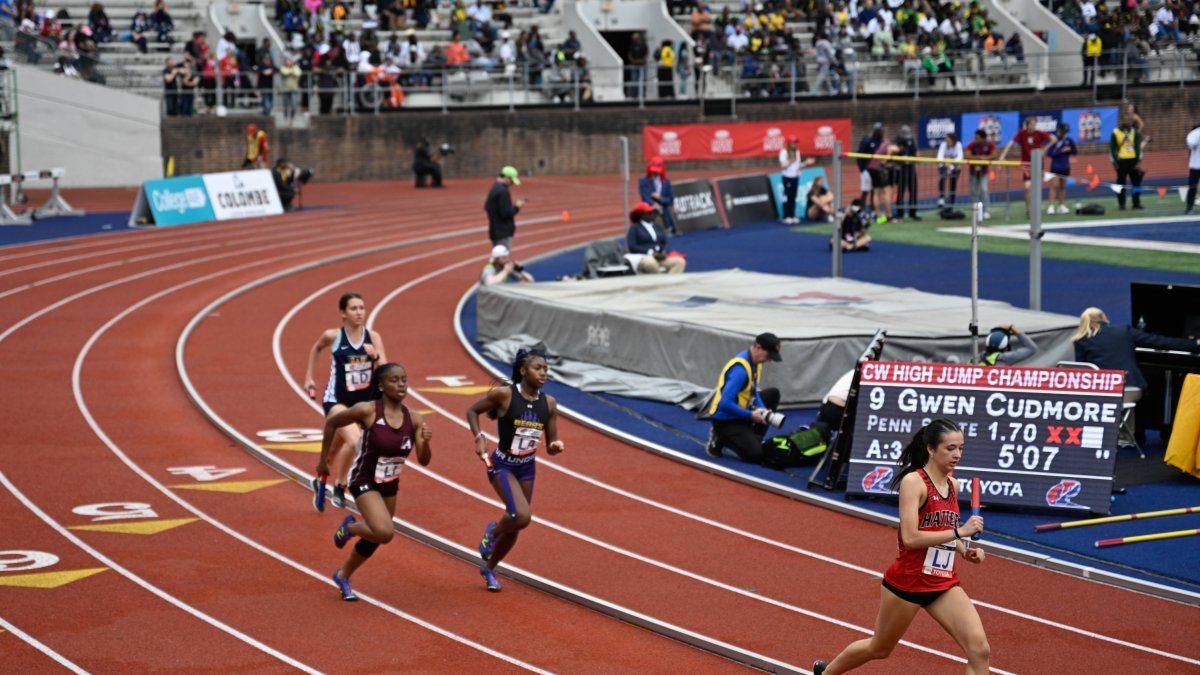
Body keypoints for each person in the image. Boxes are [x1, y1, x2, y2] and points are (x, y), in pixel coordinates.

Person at [813, 419, 988, 675]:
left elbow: (944, 530)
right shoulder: (914, 483)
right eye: (950, 448)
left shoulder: (954, 485)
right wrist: (960, 531)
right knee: (879, 648)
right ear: (930, 448)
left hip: (942, 582)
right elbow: (911, 538)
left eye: (961, 448)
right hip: (909, 582)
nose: (957, 455)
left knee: (979, 649)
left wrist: (964, 550)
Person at [321, 362, 432, 601]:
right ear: (381, 385)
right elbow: (332, 423)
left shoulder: (414, 419)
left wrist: (425, 441)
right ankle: (349, 527)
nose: (401, 384)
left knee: (375, 536)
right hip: (363, 478)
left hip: (390, 483)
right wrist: (324, 462)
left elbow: (424, 461)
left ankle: (343, 575)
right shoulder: (368, 410)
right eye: (394, 380)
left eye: (404, 379)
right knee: (384, 532)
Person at [467, 348, 565, 592]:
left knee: (517, 523)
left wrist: (554, 445)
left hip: (527, 468)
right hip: (502, 465)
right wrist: (479, 436)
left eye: (545, 369)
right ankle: (493, 530)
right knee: (521, 516)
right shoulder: (505, 395)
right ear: (523, 371)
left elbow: (551, 442)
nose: (543, 373)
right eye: (537, 368)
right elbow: (472, 411)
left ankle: (489, 568)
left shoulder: (549, 404)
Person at [303, 292, 389, 511]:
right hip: (337, 401)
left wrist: (375, 357)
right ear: (343, 313)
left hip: (362, 404)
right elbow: (316, 347)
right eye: (353, 308)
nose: (359, 312)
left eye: (362, 308)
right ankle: (341, 486)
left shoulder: (374, 337)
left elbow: (387, 372)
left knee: (334, 451)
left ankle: (318, 479)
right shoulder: (333, 336)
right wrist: (309, 377)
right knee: (355, 441)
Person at [1071, 307, 1200, 445]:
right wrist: (1194, 343)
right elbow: (1158, 341)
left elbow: (1082, 372)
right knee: (1141, 394)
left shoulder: (1080, 340)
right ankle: (1136, 437)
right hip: (1130, 389)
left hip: (1101, 393)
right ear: (1103, 316)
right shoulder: (1123, 330)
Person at [703, 332, 783, 464]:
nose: (769, 360)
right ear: (758, 347)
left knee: (773, 394)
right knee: (756, 455)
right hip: (725, 420)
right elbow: (725, 403)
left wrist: (763, 409)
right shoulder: (740, 370)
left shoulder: (756, 363)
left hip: (741, 412)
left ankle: (754, 437)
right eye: (768, 355)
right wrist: (751, 415)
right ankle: (719, 436)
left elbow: (753, 390)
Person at [997, 116, 1053, 215]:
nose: (1033, 127)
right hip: (1026, 164)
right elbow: (1011, 143)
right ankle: (1028, 209)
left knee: (1037, 187)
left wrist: (1044, 150)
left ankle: (1036, 207)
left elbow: (1053, 139)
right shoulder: (1022, 133)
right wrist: (1002, 156)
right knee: (1027, 187)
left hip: (1038, 163)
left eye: (1034, 125)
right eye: (1031, 125)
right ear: (1027, 125)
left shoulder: (1039, 133)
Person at [626, 202, 685, 274]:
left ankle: (671, 282)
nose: (652, 214)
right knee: (651, 264)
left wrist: (664, 252)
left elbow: (665, 242)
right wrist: (650, 252)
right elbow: (632, 246)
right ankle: (660, 282)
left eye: (653, 212)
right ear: (641, 215)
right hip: (644, 256)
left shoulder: (658, 226)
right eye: (649, 212)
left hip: (660, 256)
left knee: (679, 262)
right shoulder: (634, 228)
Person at [1110, 114, 1145, 211]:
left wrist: (1138, 161)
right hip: (1121, 161)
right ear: (1121, 120)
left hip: (1133, 160)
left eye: (1128, 119)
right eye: (1124, 119)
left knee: (1136, 182)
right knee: (1120, 183)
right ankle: (1122, 204)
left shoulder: (1134, 132)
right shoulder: (1115, 132)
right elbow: (1113, 148)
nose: (1126, 121)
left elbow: (1137, 147)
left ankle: (1136, 203)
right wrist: (1115, 161)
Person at [485, 165, 525, 249]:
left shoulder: (495, 188)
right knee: (502, 258)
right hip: (503, 232)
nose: (512, 184)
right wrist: (517, 207)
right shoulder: (503, 191)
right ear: (507, 178)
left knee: (498, 257)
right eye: (511, 181)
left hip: (495, 230)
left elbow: (487, 207)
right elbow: (506, 213)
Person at [779, 135, 816, 224]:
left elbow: (798, 166)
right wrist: (790, 160)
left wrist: (806, 163)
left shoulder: (797, 152)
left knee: (793, 196)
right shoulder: (783, 152)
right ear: (788, 144)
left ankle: (792, 215)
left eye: (795, 143)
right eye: (792, 143)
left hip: (795, 176)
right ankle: (786, 216)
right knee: (787, 196)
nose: (794, 145)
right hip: (787, 177)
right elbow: (783, 165)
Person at [638, 155, 678, 235]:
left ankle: (669, 228)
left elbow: (670, 199)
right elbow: (645, 196)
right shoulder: (643, 180)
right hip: (651, 213)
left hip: (665, 213)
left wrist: (660, 198)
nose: (655, 173)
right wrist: (654, 204)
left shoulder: (666, 181)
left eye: (657, 171)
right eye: (653, 170)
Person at [1045, 122, 1078, 216]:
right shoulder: (1054, 140)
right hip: (1055, 166)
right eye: (1063, 132)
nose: (1065, 134)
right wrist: (1061, 151)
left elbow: (1075, 151)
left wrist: (1070, 150)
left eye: (1066, 132)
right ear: (1060, 131)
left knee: (1063, 187)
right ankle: (1051, 206)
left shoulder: (1069, 140)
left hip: (1065, 166)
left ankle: (1061, 205)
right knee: (1053, 186)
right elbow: (1050, 154)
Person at [964, 129, 996, 219]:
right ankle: (975, 210)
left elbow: (994, 155)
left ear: (983, 138)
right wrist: (979, 158)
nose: (975, 139)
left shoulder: (989, 145)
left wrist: (985, 158)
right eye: (975, 138)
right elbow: (967, 155)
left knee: (984, 190)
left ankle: (986, 211)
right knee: (973, 191)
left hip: (984, 172)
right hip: (973, 172)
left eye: (977, 138)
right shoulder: (972, 145)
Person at [892, 125, 920, 221]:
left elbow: (915, 152)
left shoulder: (911, 140)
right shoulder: (897, 140)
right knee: (901, 191)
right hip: (901, 168)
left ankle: (913, 213)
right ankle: (900, 213)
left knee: (913, 190)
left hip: (911, 167)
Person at [936, 132, 963, 208]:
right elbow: (939, 157)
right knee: (942, 179)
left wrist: (951, 163)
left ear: (953, 140)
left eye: (949, 140)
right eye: (946, 140)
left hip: (955, 167)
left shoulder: (958, 145)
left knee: (953, 184)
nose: (947, 142)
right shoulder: (943, 145)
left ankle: (951, 202)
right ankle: (941, 198)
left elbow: (960, 157)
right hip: (944, 166)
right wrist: (945, 163)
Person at [1187, 122, 1200, 216]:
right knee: (1192, 187)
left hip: (1195, 165)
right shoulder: (1195, 133)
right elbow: (1191, 143)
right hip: (1195, 165)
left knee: (1192, 187)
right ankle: (1189, 207)